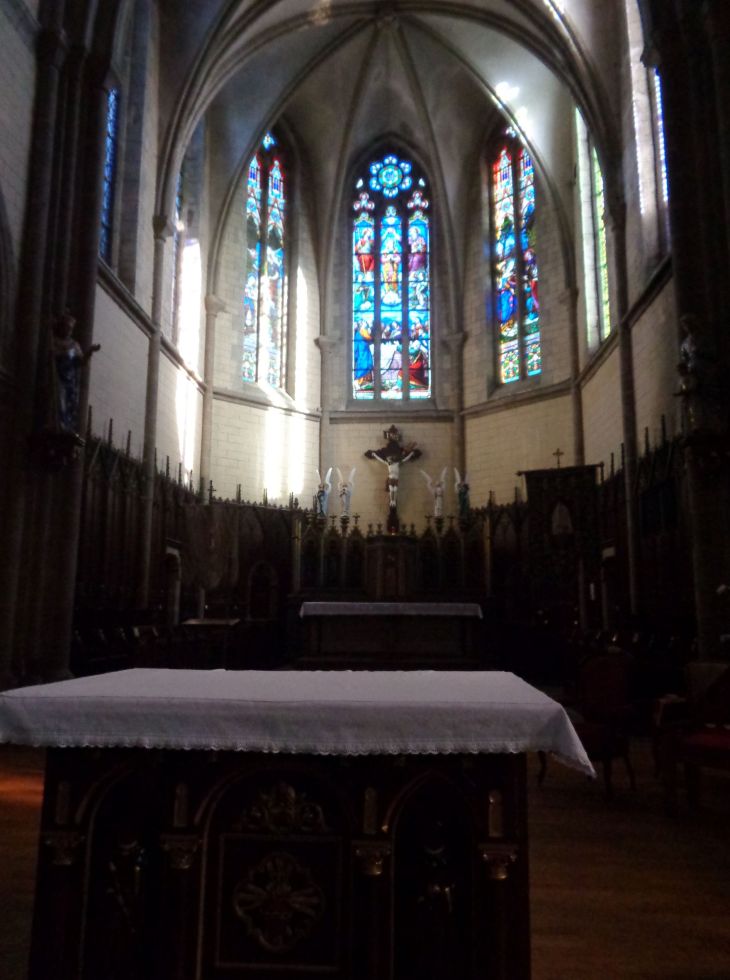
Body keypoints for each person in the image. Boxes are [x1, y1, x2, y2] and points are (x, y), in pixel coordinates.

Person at [52, 310, 100, 433]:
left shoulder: (74, 345)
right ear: (61, 327)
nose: (68, 330)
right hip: (57, 378)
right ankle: (58, 426)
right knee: (58, 403)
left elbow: (82, 362)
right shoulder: (54, 341)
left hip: (70, 381)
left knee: (69, 405)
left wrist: (90, 351)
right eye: (66, 327)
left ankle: (66, 428)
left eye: (70, 328)